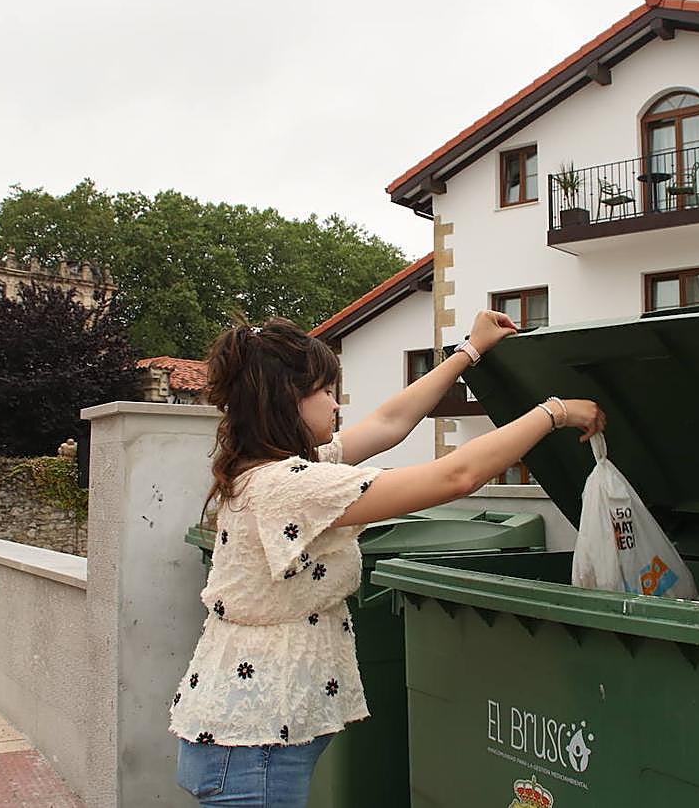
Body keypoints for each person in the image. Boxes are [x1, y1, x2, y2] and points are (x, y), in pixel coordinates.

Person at [169, 310, 605, 807]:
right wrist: (554, 412)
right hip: (251, 747)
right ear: (288, 398)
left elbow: (389, 422)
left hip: (252, 735)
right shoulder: (288, 487)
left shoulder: (279, 471)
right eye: (326, 392)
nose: (337, 405)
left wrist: (469, 352)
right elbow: (453, 478)